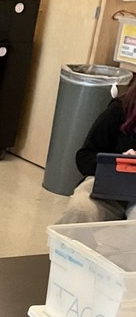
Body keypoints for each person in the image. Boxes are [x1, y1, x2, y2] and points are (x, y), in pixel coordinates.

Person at [57, 89, 136, 223]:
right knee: (80, 210)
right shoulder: (121, 108)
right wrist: (117, 163)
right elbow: (85, 156)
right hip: (109, 185)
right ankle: (64, 243)